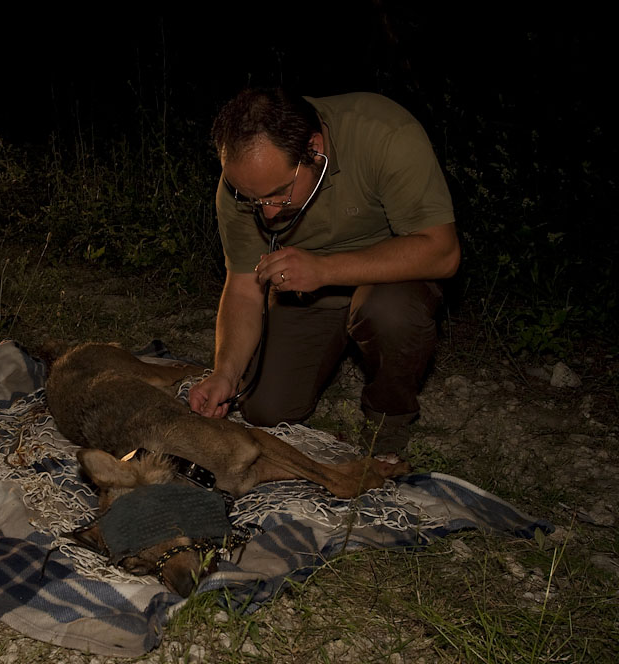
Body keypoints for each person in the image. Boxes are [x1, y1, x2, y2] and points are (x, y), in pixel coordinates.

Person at [188, 88, 460, 456]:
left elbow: (442, 252)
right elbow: (241, 288)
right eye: (254, 200)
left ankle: (387, 422)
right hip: (307, 292)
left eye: (280, 193)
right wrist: (226, 372)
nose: (267, 214)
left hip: (389, 280)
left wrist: (324, 269)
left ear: (314, 150)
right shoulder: (243, 186)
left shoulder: (384, 134)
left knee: (389, 313)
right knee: (265, 410)